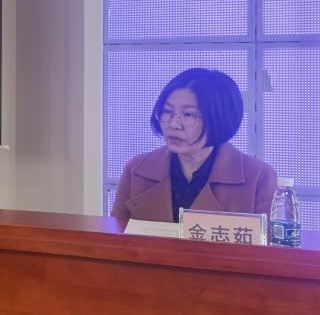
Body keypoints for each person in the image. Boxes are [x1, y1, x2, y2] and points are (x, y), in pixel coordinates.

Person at [112, 68, 276, 222]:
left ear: (219, 118)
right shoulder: (136, 169)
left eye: (189, 114)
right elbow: (114, 237)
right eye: (167, 112)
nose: (174, 124)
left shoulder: (258, 177)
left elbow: (270, 242)